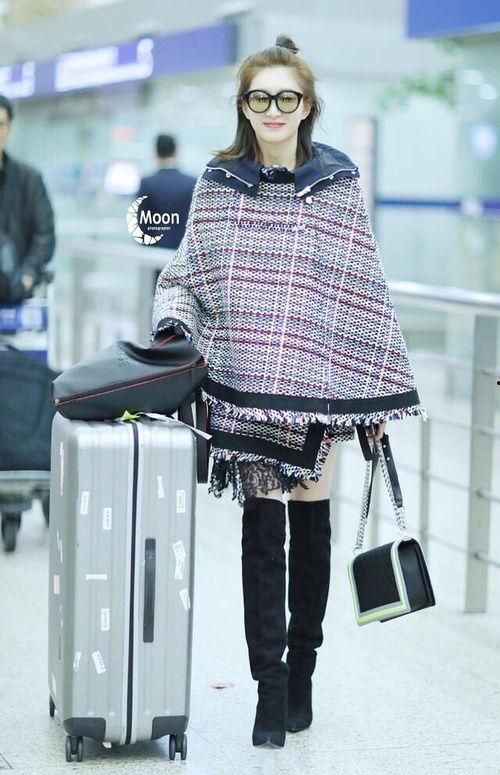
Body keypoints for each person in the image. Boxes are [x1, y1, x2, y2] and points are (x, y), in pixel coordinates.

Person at [151, 35, 428, 748]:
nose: (273, 109)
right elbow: (186, 273)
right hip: (244, 384)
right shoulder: (219, 183)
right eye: (260, 97)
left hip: (317, 390)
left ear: (307, 106)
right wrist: (174, 324)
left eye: (287, 97)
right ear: (244, 106)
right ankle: (268, 691)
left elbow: (362, 290)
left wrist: (375, 394)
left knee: (309, 524)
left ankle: (302, 671)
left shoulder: (337, 184)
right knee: (260, 533)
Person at [0, 93, 55, 301]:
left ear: (9, 128)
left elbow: (45, 233)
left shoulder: (29, 179)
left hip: (16, 292)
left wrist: (28, 275)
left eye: (0, 125)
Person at [136, 133, 196, 250]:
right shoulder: (192, 182)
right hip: (185, 251)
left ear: (156, 153)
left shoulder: (147, 183)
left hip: (156, 251)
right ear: (176, 152)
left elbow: (142, 224)